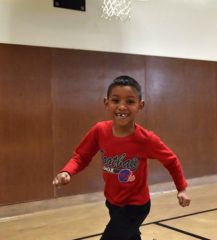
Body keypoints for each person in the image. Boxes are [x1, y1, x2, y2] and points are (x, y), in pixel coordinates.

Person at [52, 75, 191, 240]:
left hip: (136, 206)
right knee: (130, 236)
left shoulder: (146, 139)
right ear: (106, 103)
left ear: (140, 105)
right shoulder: (99, 131)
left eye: (130, 102)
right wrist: (68, 171)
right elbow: (81, 156)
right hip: (113, 202)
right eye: (116, 100)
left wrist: (181, 188)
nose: (122, 107)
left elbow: (171, 161)